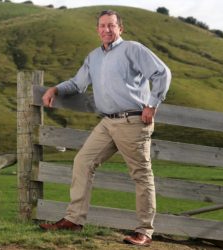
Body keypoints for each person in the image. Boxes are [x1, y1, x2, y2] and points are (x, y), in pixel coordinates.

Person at [39, 10, 171, 247]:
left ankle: (144, 231)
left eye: (111, 25)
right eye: (102, 26)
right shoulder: (93, 57)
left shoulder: (133, 49)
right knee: (82, 161)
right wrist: (55, 89)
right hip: (107, 122)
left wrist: (152, 104)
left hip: (132, 122)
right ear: (97, 29)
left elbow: (162, 73)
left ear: (120, 28)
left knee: (140, 175)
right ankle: (74, 220)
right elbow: (78, 84)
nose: (106, 30)